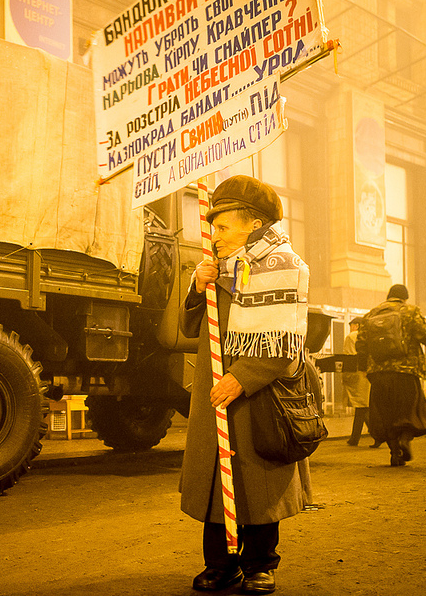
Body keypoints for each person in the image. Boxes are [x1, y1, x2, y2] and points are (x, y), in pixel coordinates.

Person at [179, 175, 311, 594]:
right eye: (213, 227)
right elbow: (186, 329)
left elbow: (288, 341)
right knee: (217, 480)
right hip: (215, 392)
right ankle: (220, 563)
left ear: (253, 223)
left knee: (258, 479)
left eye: (222, 226)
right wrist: (197, 290)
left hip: (259, 395)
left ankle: (260, 563)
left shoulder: (285, 268)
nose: (213, 235)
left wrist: (244, 377)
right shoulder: (217, 271)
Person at [356, 284, 426, 467]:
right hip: (405, 371)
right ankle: (405, 439)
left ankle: (394, 453)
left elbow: (361, 344)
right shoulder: (411, 311)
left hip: (378, 373)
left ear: (388, 295)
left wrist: (365, 369)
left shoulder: (371, 314)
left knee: (385, 414)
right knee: (410, 411)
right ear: (405, 297)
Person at [342, 317, 374, 446]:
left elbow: (349, 357)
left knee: (361, 406)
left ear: (356, 325)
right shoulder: (370, 337)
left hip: (356, 374)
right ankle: (357, 437)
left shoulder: (352, 336)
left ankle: (376, 434)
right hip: (367, 374)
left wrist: (345, 377)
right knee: (363, 407)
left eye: (352, 325)